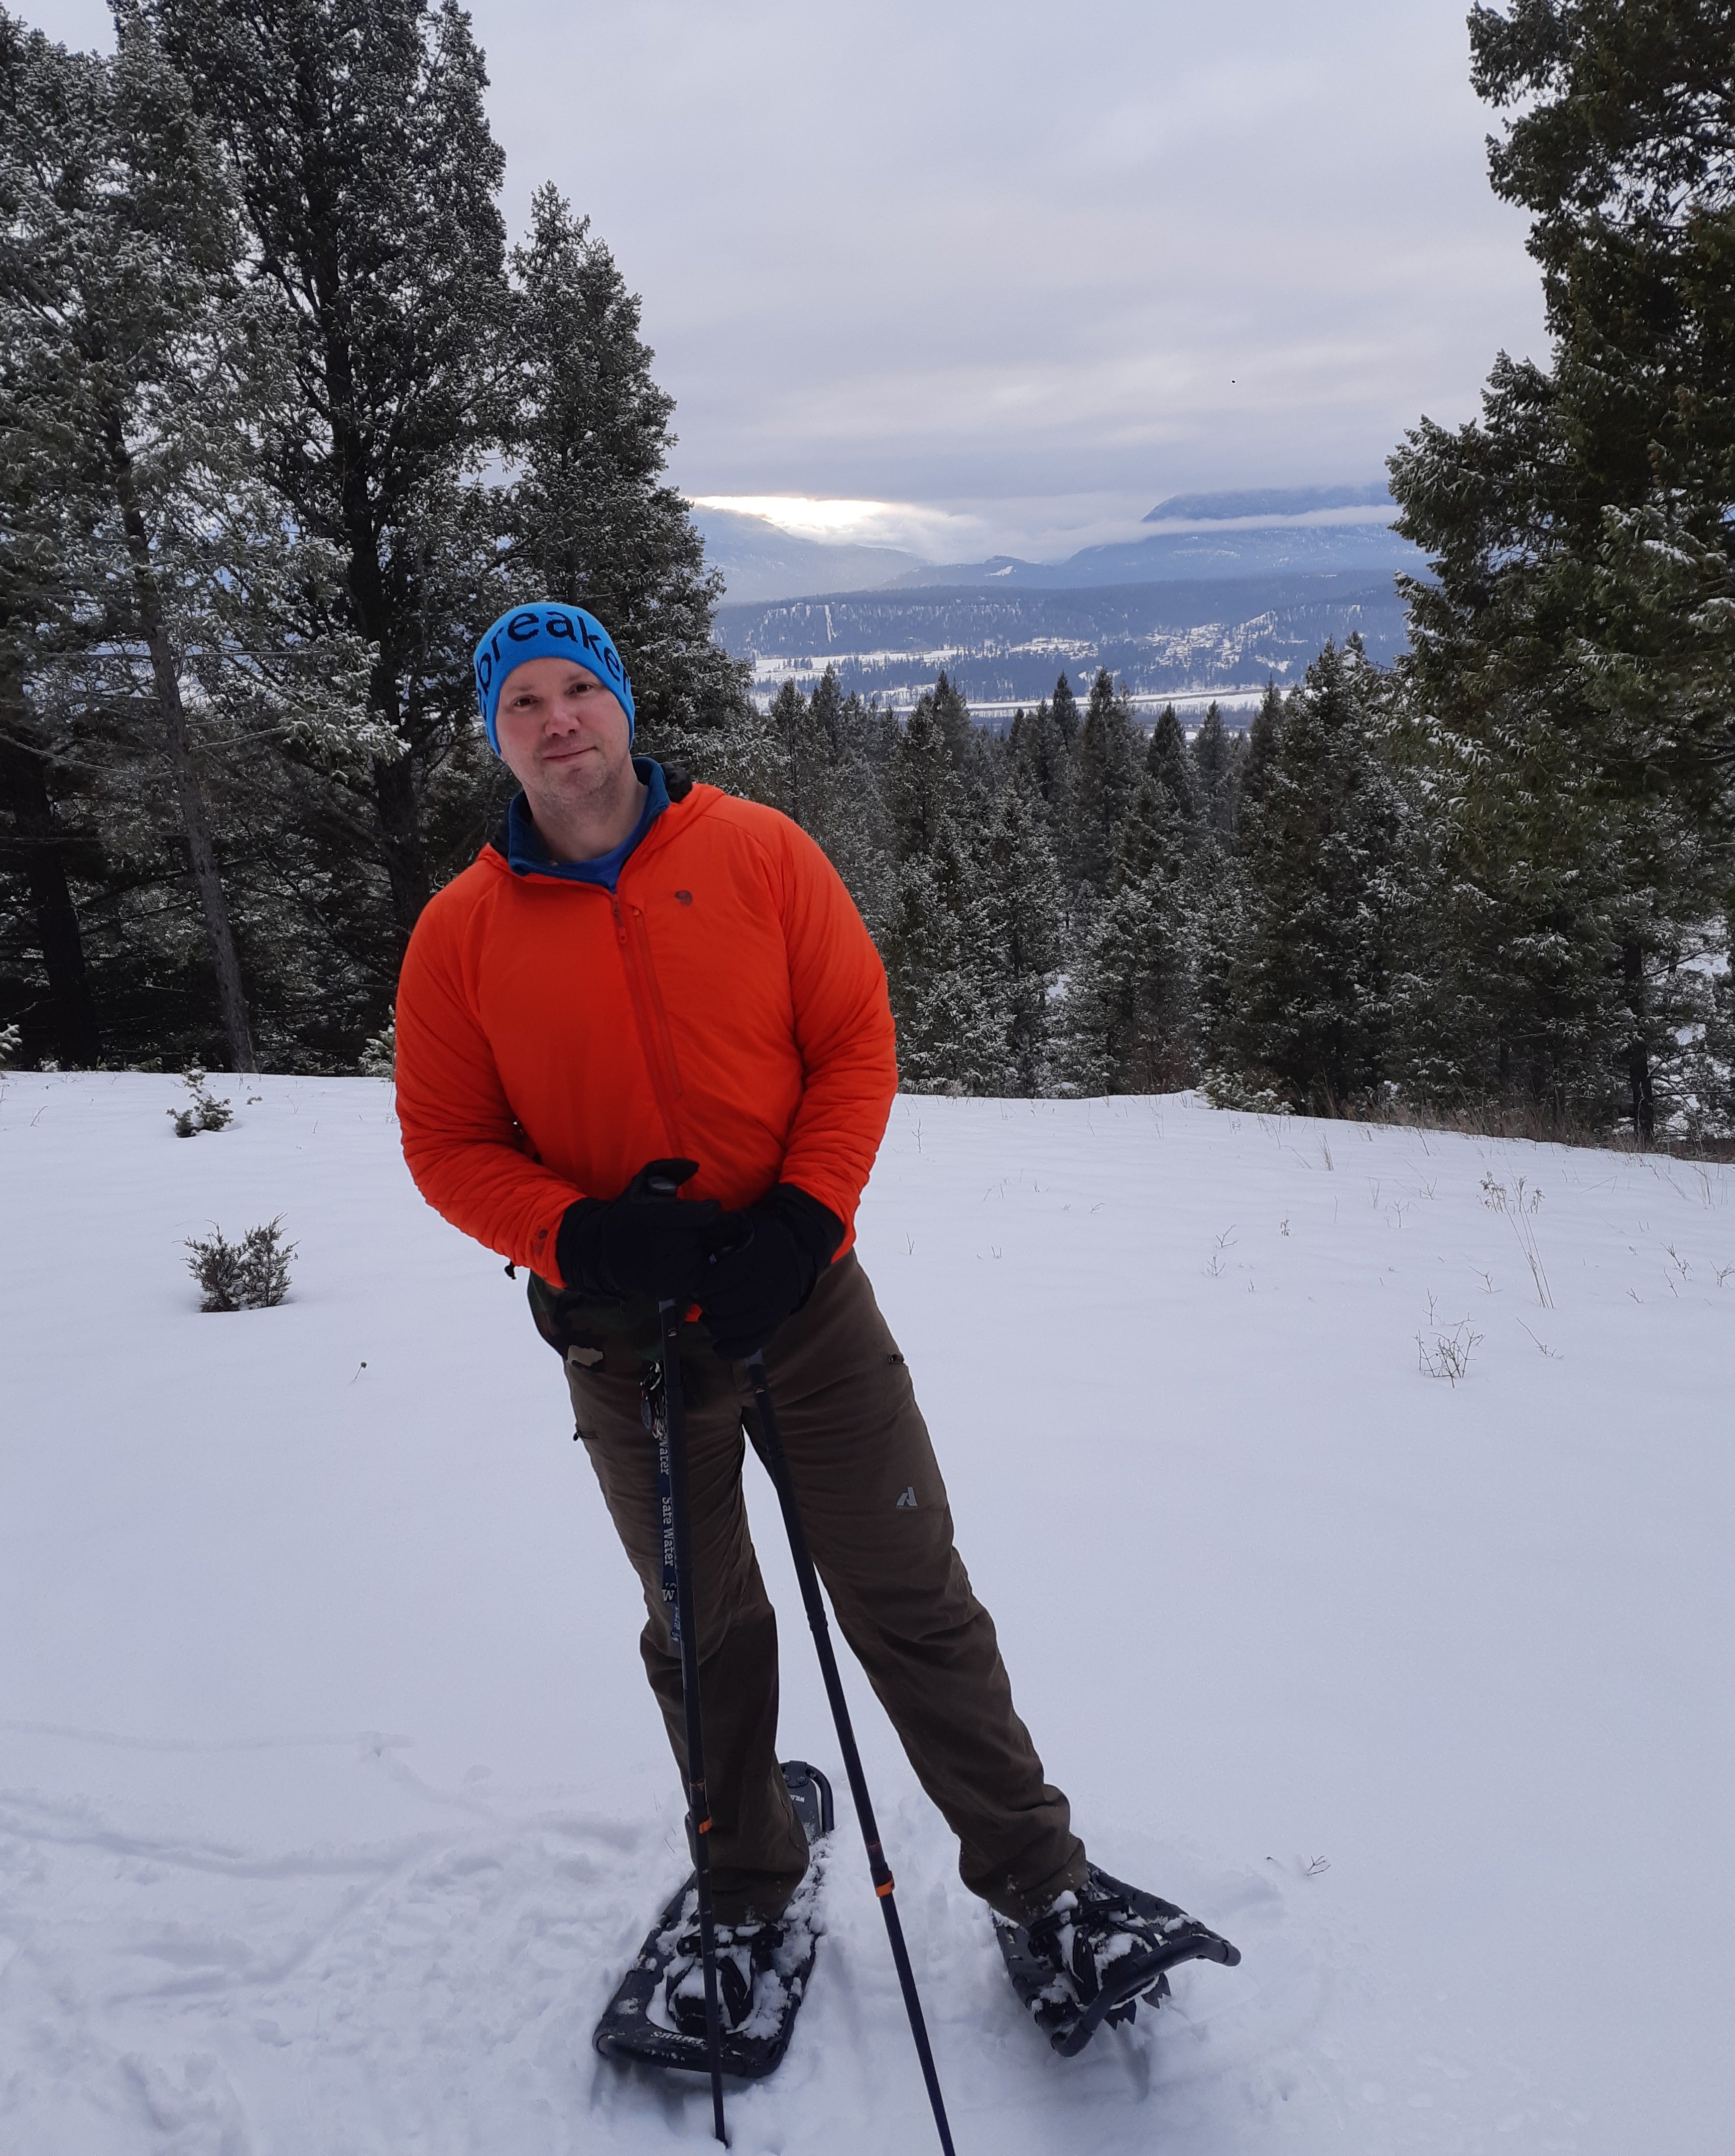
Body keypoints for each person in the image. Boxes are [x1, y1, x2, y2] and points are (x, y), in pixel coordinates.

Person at [394, 601, 1233, 2039]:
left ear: (623, 708)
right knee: (701, 1623)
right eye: (521, 701)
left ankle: (1042, 1882)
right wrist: (579, 1231)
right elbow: (446, 1142)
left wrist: (804, 1218)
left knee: (908, 1591)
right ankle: (747, 1891)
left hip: (804, 1309)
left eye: (575, 691)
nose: (555, 722)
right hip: (627, 1337)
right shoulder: (463, 931)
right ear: (498, 734)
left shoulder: (758, 853)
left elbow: (854, 1037)